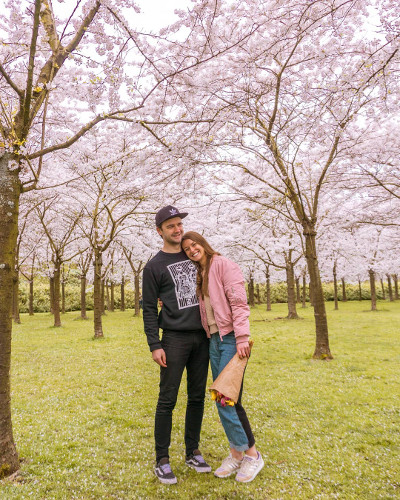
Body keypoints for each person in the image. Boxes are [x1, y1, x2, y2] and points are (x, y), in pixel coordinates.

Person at [181, 231, 264, 483]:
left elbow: (239, 303)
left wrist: (241, 337)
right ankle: (236, 454)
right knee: (222, 398)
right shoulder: (201, 272)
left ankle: (252, 455)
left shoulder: (224, 265)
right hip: (214, 341)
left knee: (227, 399)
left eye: (194, 245)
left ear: (203, 244)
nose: (192, 250)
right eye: (187, 249)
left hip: (230, 339)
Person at [142, 206, 211, 484]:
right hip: (173, 339)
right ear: (160, 231)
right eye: (170, 226)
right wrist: (154, 344)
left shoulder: (195, 254)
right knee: (167, 399)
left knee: (197, 397)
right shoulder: (154, 266)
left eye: (179, 224)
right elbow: (148, 307)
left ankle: (192, 451)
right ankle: (162, 459)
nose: (177, 229)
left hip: (203, 336)